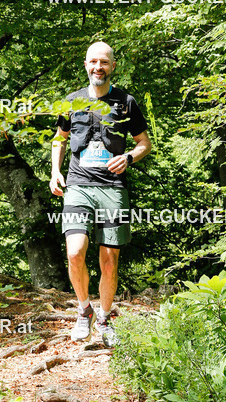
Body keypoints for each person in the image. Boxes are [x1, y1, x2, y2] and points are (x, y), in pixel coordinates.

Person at [50, 42, 152, 346]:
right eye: (93, 61)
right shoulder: (71, 101)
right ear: (85, 65)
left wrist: (129, 157)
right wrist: (55, 171)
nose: (98, 67)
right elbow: (59, 139)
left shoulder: (126, 102)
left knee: (109, 261)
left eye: (104, 62)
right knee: (74, 252)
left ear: (113, 66)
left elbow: (144, 143)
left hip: (113, 188)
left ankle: (105, 319)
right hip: (78, 185)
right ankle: (85, 311)